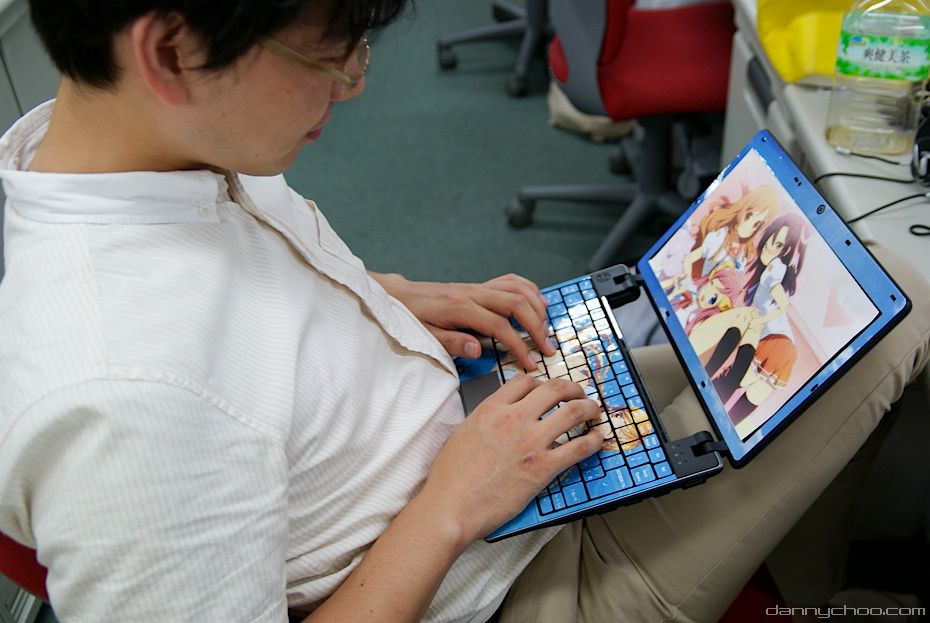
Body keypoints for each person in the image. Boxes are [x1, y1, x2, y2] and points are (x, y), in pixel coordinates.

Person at [0, 3, 927, 623]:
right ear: (170, 52)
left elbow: (243, 304)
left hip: (489, 441)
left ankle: (802, 569)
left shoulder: (114, 148)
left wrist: (381, 296)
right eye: (328, 53)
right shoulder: (132, 401)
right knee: (904, 303)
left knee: (815, 325)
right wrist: (451, 504)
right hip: (521, 581)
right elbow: (199, 376)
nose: (355, 81)